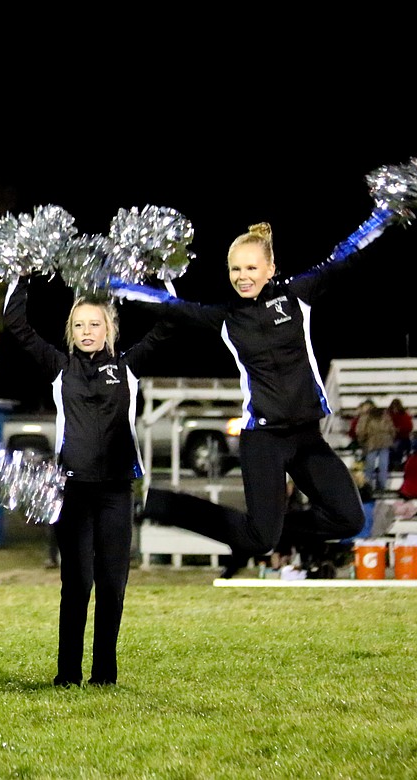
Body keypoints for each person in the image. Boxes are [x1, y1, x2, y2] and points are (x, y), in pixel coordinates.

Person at [125, 222, 370, 578]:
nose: (242, 276)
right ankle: (157, 503)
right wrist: (109, 284)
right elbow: (169, 306)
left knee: (349, 518)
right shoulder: (226, 317)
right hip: (264, 439)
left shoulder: (296, 297)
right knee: (259, 540)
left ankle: (261, 534)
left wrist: (384, 215)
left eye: (251, 268)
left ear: (270, 269)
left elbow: (344, 257)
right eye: (235, 269)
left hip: (306, 438)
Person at [3, 274, 172, 687]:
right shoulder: (61, 368)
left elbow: (170, 321)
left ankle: (104, 675)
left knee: (112, 584)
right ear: (70, 331)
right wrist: (21, 273)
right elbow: (16, 323)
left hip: (116, 490)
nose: (86, 332)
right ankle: (67, 674)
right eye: (78, 325)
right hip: (73, 491)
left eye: (94, 324)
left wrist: (161, 274)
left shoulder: (127, 368)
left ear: (109, 328)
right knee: (76, 584)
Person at [355, 402, 396, 491]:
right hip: (385, 441)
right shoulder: (385, 415)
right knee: (383, 465)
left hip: (371, 442)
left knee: (370, 465)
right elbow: (391, 429)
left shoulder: (365, 417)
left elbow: (360, 431)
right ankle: (382, 485)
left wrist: (361, 441)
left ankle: (367, 486)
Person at [387, 398, 414, 469]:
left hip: (402, 437)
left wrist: (400, 429)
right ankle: (392, 464)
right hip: (390, 437)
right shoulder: (388, 416)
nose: (395, 409)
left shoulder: (404, 416)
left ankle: (396, 463)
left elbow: (409, 427)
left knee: (398, 445)